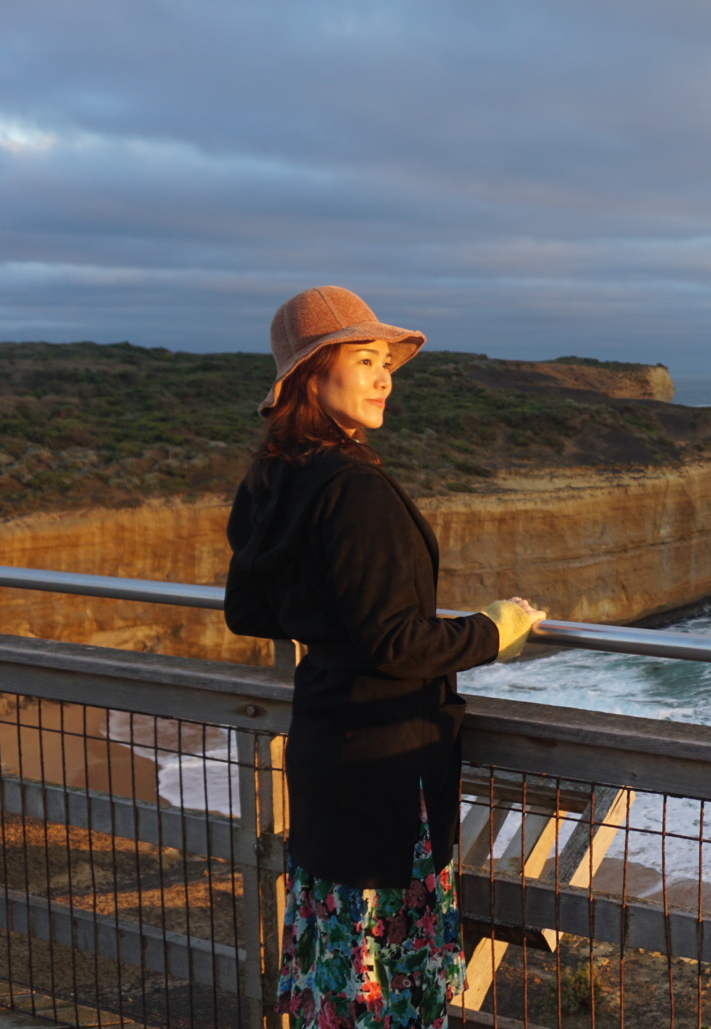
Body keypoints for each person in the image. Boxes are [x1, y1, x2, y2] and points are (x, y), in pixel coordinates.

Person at [224, 285, 545, 1029]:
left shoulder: (276, 475)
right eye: (364, 359)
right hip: (385, 767)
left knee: (333, 965)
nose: (383, 377)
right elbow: (398, 642)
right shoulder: (355, 488)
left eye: (387, 363)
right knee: (393, 982)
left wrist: (328, 620)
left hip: (324, 745)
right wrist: (493, 630)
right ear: (312, 375)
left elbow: (248, 610)